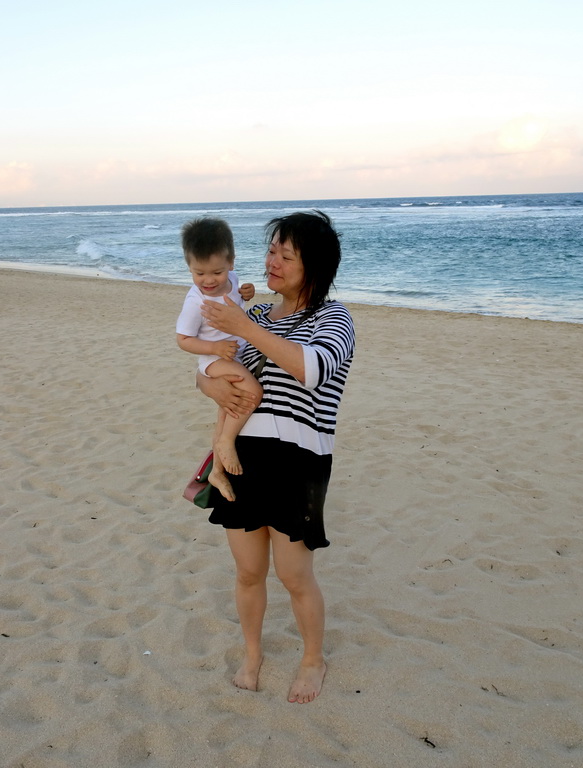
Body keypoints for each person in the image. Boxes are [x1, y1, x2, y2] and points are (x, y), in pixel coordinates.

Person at [197, 210, 355, 704]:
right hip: (242, 456)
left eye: (286, 256)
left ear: (316, 267)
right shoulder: (259, 316)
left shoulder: (334, 318)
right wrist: (209, 384)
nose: (273, 263)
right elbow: (212, 372)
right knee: (247, 571)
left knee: (293, 573)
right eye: (270, 251)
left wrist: (245, 325)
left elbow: (310, 368)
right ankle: (252, 653)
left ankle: (312, 659)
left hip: (298, 460)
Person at [175, 218, 259, 501]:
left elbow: (236, 299)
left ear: (231, 264)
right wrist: (215, 348)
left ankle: (217, 470)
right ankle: (225, 443)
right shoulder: (196, 302)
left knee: (226, 411)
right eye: (199, 273)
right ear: (189, 267)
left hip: (235, 354)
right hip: (213, 360)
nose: (208, 281)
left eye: (217, 272)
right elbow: (183, 340)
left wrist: (247, 292)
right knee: (252, 392)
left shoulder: (232, 280)